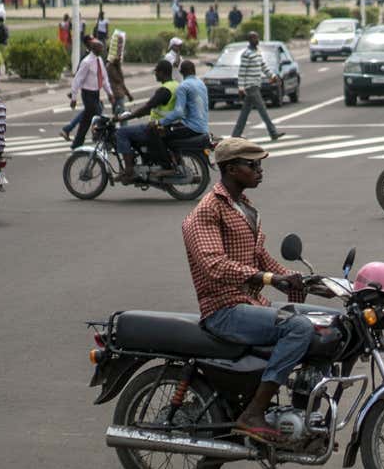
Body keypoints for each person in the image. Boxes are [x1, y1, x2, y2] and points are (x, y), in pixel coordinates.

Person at [180, 137, 310, 443]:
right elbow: (215, 265)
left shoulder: (245, 207)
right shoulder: (207, 211)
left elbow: (262, 259)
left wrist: (298, 278)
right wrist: (267, 278)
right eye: (252, 165)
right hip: (223, 310)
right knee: (299, 329)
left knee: (324, 321)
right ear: (230, 169)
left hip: (250, 302)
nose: (259, 170)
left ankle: (303, 402)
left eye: (260, 164)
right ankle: (253, 414)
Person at [113, 59, 179, 180]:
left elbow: (148, 107)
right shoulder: (175, 85)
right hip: (168, 125)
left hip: (157, 128)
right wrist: (136, 114)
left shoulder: (164, 90)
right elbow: (153, 109)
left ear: (163, 72)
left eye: (157, 72)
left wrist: (127, 117)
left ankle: (129, 170)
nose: (155, 74)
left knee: (121, 132)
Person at [232, 32, 284, 141]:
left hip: (256, 85)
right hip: (251, 87)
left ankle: (236, 135)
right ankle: (273, 133)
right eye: (254, 38)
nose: (257, 40)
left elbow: (263, 66)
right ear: (250, 40)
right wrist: (241, 87)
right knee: (263, 110)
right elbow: (242, 72)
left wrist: (272, 76)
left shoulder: (257, 52)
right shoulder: (246, 54)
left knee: (245, 112)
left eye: (257, 37)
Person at [68, 38, 112, 150]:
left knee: (86, 120)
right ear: (93, 48)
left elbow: (104, 78)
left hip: (95, 93)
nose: (102, 49)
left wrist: (109, 93)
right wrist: (74, 97)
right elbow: (78, 79)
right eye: (100, 47)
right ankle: (104, 141)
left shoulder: (99, 60)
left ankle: (77, 143)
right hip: (87, 94)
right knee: (98, 116)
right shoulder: (86, 62)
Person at [106, 27, 133, 116]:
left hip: (119, 95)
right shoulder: (110, 67)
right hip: (116, 95)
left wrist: (128, 94)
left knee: (118, 116)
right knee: (121, 117)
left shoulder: (115, 66)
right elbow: (119, 80)